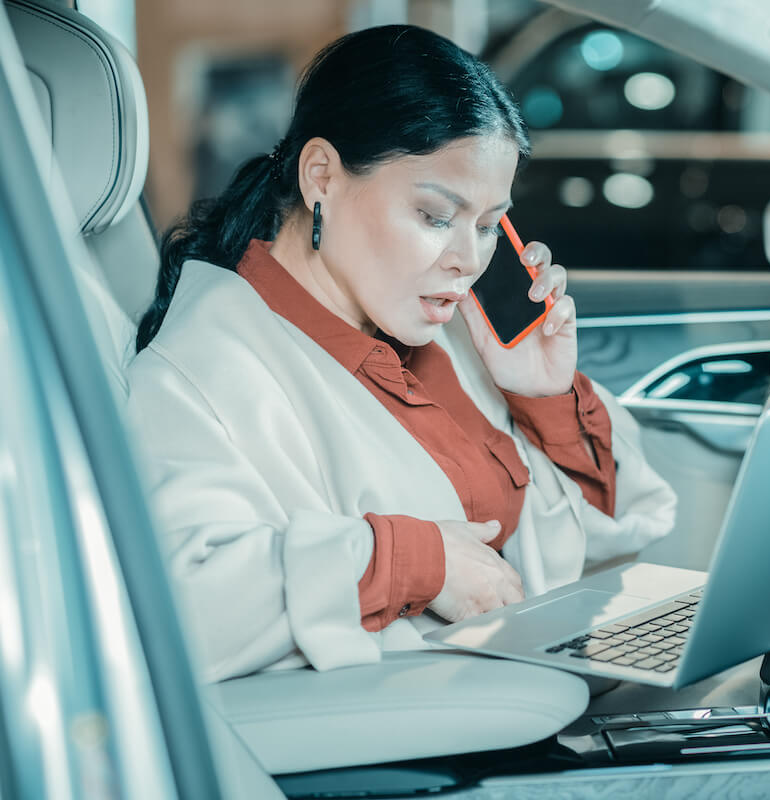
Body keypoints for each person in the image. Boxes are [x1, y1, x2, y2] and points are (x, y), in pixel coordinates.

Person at [126, 24, 677, 683]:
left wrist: (542, 398)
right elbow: (177, 602)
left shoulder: (440, 333)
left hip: (529, 678)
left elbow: (608, 538)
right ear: (322, 176)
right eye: (435, 217)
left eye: (485, 225)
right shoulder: (197, 377)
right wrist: (414, 560)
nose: (468, 262)